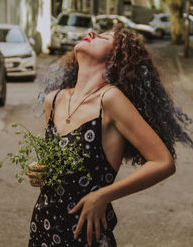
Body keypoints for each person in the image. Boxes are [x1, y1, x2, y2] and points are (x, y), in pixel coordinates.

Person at [27, 27, 193, 247]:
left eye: (105, 37)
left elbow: (163, 162)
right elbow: (56, 166)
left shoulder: (110, 100)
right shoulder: (53, 100)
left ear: (116, 59)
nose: (91, 32)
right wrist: (39, 170)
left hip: (83, 232)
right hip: (42, 226)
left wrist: (103, 196)